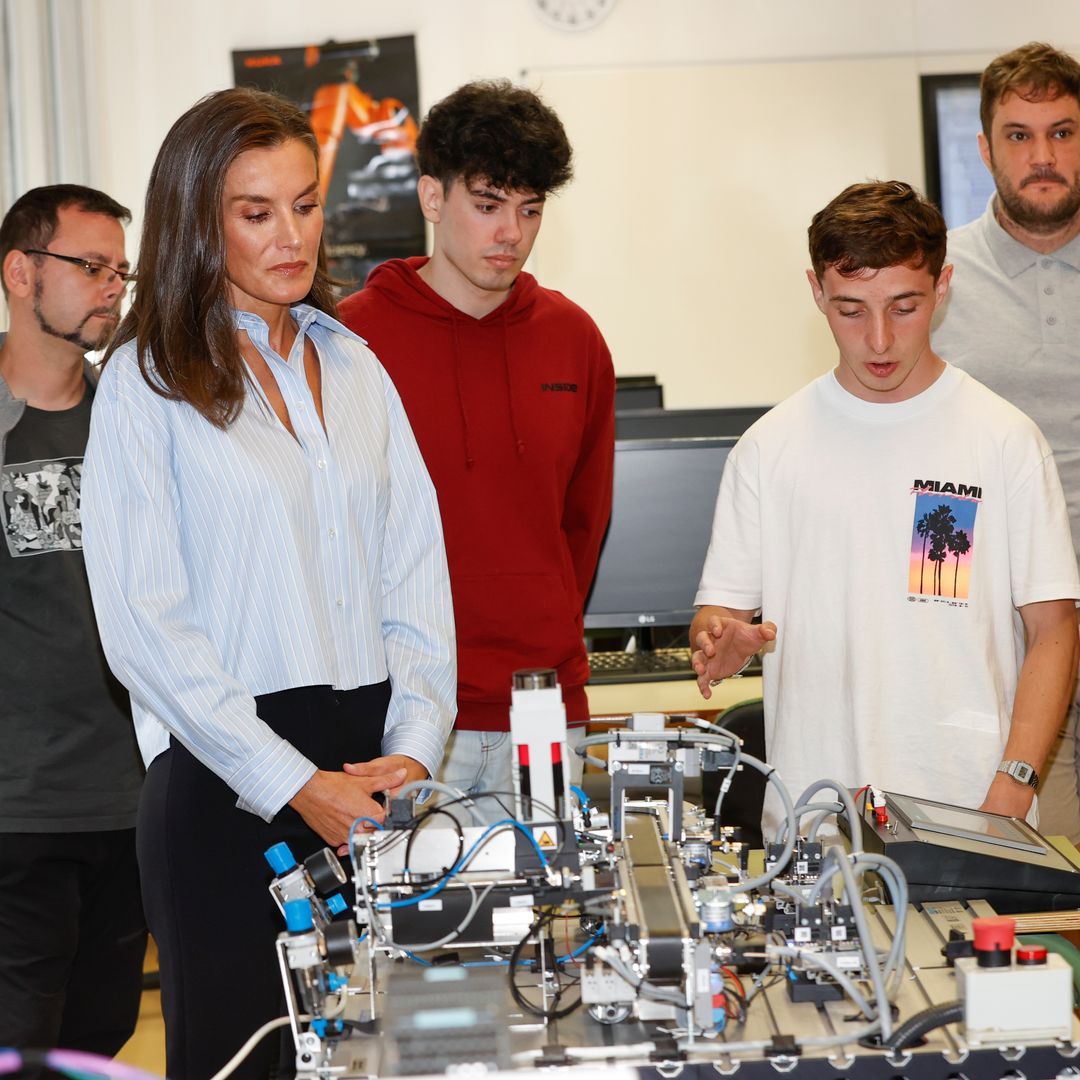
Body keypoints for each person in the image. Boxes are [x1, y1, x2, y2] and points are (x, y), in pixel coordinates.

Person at [80, 88, 456, 1079]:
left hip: (372, 776)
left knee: (391, 1058)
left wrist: (414, 746)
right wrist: (293, 783)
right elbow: (143, 627)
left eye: (305, 203)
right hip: (224, 784)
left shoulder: (359, 364)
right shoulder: (146, 381)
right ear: (198, 221)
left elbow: (415, 576)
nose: (290, 235)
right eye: (256, 212)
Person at [691, 180, 1080, 838]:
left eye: (904, 307)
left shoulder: (1004, 441)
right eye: (850, 309)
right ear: (815, 292)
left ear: (943, 285)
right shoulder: (769, 448)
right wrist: (721, 639)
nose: (879, 339)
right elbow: (720, 613)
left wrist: (1013, 785)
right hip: (815, 820)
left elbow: (1054, 629)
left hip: (972, 812)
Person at [338, 80, 614, 819]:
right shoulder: (350, 343)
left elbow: (584, 523)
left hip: (546, 710)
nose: (511, 234)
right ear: (433, 197)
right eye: (488, 205)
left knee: (558, 928)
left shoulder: (574, 338)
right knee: (417, 932)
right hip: (407, 719)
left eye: (530, 210)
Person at [0, 185, 145, 1061]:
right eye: (89, 267)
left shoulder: (134, 420)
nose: (110, 288)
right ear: (21, 272)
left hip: (132, 803)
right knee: (22, 1046)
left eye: (119, 272)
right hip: (17, 812)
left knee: (103, 1039)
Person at [931, 42, 1080, 843]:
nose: (1043, 156)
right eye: (1019, 136)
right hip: (1009, 651)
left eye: (1062, 131)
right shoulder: (935, 278)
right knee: (1045, 884)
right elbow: (920, 471)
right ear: (985, 148)